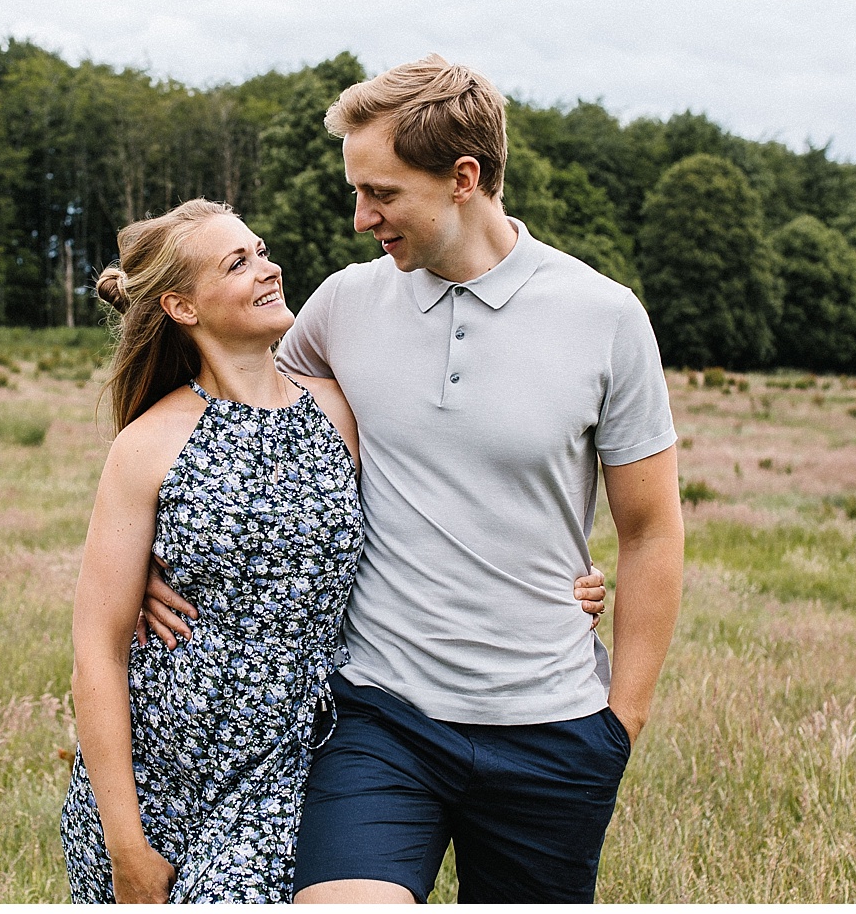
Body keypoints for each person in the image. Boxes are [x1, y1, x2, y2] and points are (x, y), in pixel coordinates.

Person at [143, 55, 681, 907]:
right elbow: (227, 418)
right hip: (381, 718)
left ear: (463, 178)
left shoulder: (606, 317)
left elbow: (650, 529)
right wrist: (152, 553)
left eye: (381, 193)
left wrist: (624, 719)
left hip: (554, 731)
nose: (360, 219)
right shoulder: (344, 306)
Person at [66, 198, 608, 907]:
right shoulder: (148, 445)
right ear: (182, 306)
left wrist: (557, 581)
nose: (269, 268)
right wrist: (125, 843)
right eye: (239, 263)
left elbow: (447, 501)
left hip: (291, 766)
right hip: (157, 770)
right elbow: (96, 649)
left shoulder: (338, 410)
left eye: (260, 249)